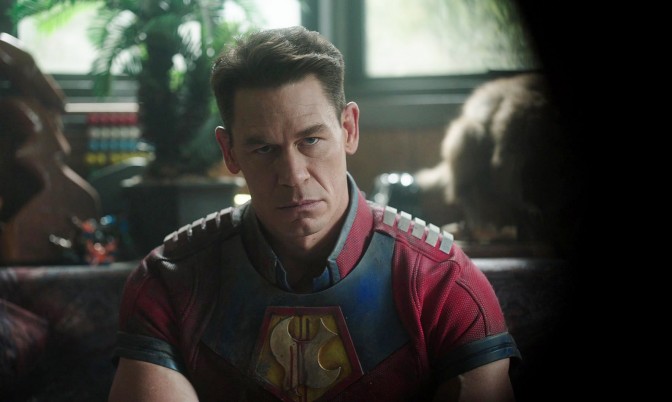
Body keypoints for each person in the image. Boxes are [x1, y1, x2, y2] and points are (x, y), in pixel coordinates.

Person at [108, 26, 521, 402]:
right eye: (263, 148)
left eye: (310, 140)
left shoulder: (442, 282)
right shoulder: (170, 282)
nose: (293, 176)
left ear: (349, 129)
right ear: (229, 152)